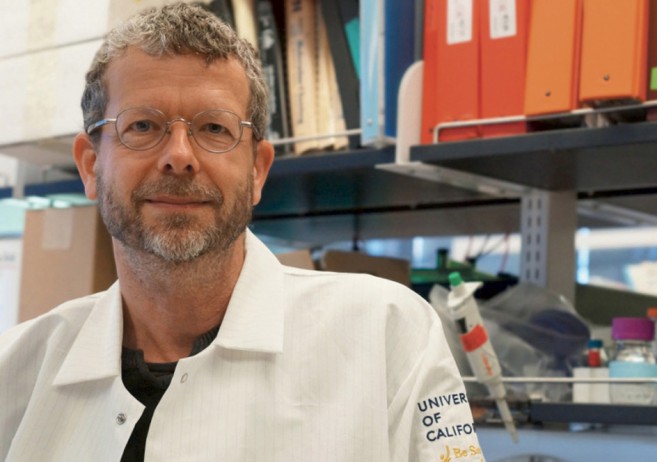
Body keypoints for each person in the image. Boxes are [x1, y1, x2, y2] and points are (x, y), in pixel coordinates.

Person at [0, 3, 485, 461]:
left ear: (257, 170)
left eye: (214, 128)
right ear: (90, 165)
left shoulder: (387, 333)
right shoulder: (14, 370)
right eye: (143, 125)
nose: (180, 156)